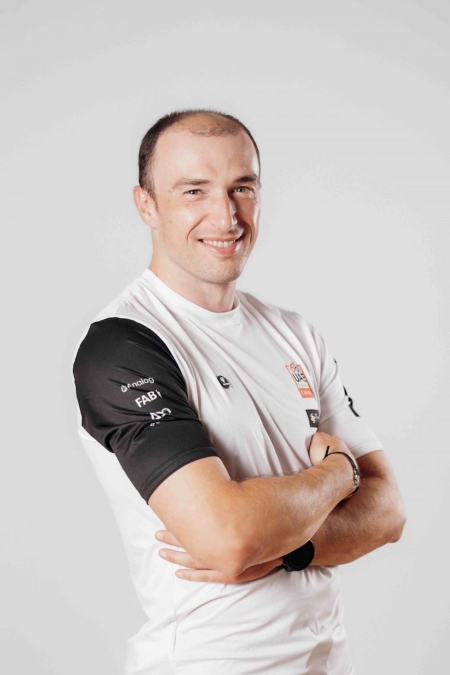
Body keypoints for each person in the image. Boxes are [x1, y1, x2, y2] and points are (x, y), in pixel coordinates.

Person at [73, 109, 405, 675]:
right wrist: (338, 473)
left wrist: (289, 549)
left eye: (242, 188)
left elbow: (389, 512)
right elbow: (228, 539)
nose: (226, 216)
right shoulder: (125, 346)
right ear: (146, 205)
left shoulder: (294, 332)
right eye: (194, 191)